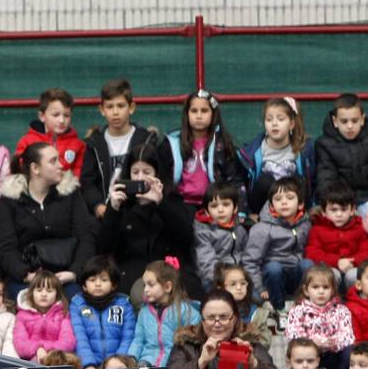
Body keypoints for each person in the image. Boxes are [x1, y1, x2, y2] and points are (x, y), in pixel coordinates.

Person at [99, 141, 199, 299]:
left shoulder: (171, 199)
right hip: (131, 274)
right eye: (135, 172)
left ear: (157, 173)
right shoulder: (122, 204)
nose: (140, 178)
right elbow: (104, 248)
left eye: (147, 172)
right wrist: (113, 209)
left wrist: (161, 203)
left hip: (168, 271)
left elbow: (186, 238)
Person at [0, 143, 94, 295]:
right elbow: (6, 246)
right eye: (53, 161)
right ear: (35, 168)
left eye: (59, 159)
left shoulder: (71, 193)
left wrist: (74, 272)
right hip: (28, 278)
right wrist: (26, 275)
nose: (61, 165)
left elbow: (85, 237)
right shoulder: (10, 198)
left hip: (65, 275)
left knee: (75, 303)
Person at [80, 79, 157, 219]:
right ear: (102, 110)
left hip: (137, 211)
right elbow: (87, 182)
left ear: (131, 108)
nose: (115, 112)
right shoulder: (94, 143)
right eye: (109, 107)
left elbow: (155, 178)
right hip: (104, 211)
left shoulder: (145, 140)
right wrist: (97, 205)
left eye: (121, 106)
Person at [158, 89, 243, 211]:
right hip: (180, 203)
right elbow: (162, 179)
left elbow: (235, 180)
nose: (198, 116)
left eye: (204, 111)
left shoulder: (222, 144)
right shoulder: (172, 143)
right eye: (194, 111)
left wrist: (241, 211)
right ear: (187, 114)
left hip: (214, 205)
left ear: (213, 114)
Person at [242, 175, 311, 311]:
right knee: (274, 268)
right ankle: (279, 309)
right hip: (271, 278)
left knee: (307, 264)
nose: (284, 202)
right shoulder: (262, 228)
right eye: (278, 199)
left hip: (295, 275)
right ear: (271, 205)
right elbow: (250, 262)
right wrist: (259, 286)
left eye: (290, 198)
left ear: (301, 204)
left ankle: (304, 306)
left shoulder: (305, 224)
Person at [238, 96, 315, 216]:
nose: (274, 124)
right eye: (269, 120)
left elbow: (313, 182)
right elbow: (242, 184)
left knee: (299, 180)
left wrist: (312, 208)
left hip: (293, 204)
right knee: (265, 180)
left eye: (280, 119)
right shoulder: (253, 152)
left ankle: (300, 215)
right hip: (263, 206)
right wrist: (245, 212)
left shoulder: (304, 150)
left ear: (291, 124)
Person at [314, 93, 368, 213]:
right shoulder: (324, 144)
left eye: (354, 121)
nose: (350, 126)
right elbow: (326, 179)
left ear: (362, 119)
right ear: (335, 121)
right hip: (339, 202)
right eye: (344, 121)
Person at [70, 256, 134, 369]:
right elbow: (79, 337)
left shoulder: (124, 304)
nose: (98, 284)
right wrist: (88, 364)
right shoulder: (77, 305)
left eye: (104, 280)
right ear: (84, 285)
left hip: (118, 366)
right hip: (89, 368)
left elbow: (128, 336)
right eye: (92, 280)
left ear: (113, 284)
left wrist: (118, 361)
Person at [284, 264, 355, 369]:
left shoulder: (342, 310)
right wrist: (313, 342)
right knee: (297, 351)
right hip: (307, 355)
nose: (321, 291)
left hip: (333, 354)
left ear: (332, 290)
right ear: (306, 290)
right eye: (315, 287)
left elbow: (347, 336)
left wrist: (333, 343)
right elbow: (293, 334)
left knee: (350, 351)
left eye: (326, 287)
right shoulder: (297, 310)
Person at [305, 180, 368, 291]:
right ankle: (331, 304)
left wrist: (352, 262)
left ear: (352, 210)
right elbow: (312, 253)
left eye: (344, 209)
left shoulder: (358, 228)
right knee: (330, 274)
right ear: (323, 211)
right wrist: (337, 261)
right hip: (329, 268)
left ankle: (355, 303)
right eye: (333, 210)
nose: (339, 214)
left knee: (355, 274)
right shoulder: (317, 229)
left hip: (352, 267)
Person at [129, 258, 200, 367]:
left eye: (151, 285)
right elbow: (138, 339)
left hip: (175, 363)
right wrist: (132, 358)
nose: (145, 290)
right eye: (144, 285)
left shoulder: (186, 311)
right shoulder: (144, 312)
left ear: (167, 287)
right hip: (147, 361)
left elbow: (196, 338)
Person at [13, 87, 85, 177]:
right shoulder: (27, 141)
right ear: (42, 116)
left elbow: (79, 174)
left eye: (67, 115)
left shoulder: (78, 145)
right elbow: (20, 170)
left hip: (66, 189)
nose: (62, 120)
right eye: (56, 115)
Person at [193, 181, 245, 293]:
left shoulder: (240, 230)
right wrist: (226, 280)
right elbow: (207, 263)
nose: (220, 210)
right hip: (214, 279)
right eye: (214, 206)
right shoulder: (203, 232)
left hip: (238, 277)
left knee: (256, 297)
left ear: (235, 208)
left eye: (226, 204)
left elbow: (247, 256)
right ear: (207, 211)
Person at [14, 270, 75, 362]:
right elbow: (19, 343)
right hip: (31, 360)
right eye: (39, 290)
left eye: (49, 291)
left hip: (58, 359)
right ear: (31, 293)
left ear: (57, 294)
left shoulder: (63, 314)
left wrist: (46, 350)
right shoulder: (22, 315)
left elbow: (68, 342)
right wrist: (37, 349)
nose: (44, 294)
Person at [217, 262, 275, 347]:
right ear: (221, 288)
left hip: (251, 355)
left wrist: (246, 342)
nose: (239, 288)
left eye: (243, 283)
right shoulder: (214, 312)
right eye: (233, 284)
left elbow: (265, 342)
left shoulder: (256, 313)